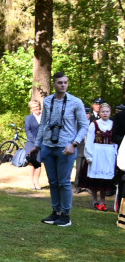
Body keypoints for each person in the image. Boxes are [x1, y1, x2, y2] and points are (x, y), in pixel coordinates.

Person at [28, 72, 88, 227]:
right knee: (53, 182)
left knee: (64, 182)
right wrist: (37, 145)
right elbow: (43, 125)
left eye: (65, 82)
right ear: (54, 84)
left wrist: (74, 144)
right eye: (60, 82)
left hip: (66, 148)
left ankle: (66, 215)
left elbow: (84, 126)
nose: (63, 85)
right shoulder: (47, 101)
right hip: (48, 147)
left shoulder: (75, 102)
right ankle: (56, 212)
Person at [83, 102, 117, 211]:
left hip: (108, 153)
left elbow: (116, 140)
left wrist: (115, 153)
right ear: (100, 112)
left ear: (110, 113)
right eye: (103, 111)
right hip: (97, 152)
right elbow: (89, 141)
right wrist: (89, 155)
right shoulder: (94, 124)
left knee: (104, 179)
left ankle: (103, 202)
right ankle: (95, 201)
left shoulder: (113, 124)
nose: (105, 113)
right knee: (94, 179)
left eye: (107, 111)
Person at [24, 99, 44, 190]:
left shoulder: (44, 117)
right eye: (33, 107)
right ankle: (31, 182)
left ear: (39, 106)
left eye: (37, 106)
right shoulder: (28, 118)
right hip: (31, 143)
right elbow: (28, 131)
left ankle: (37, 182)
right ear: (31, 109)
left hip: (42, 143)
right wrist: (36, 142)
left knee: (39, 163)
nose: (35, 108)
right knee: (32, 162)